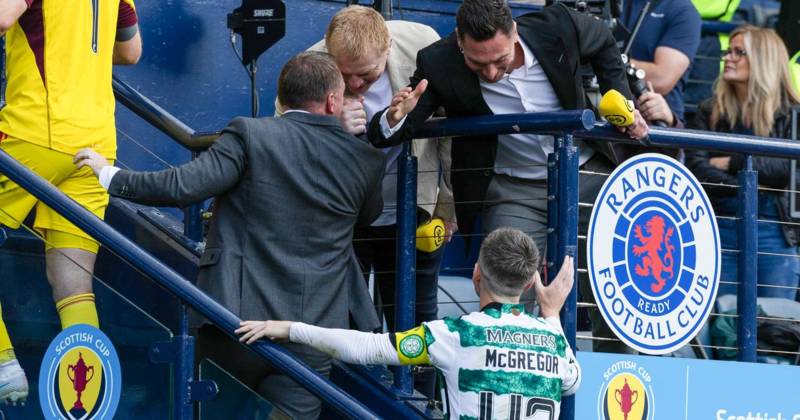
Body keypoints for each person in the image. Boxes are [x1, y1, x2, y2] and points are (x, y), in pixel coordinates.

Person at [74, 51, 386, 418]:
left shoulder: (250, 135)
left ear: (282, 99)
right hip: (310, 334)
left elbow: (183, 187)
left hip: (234, 323)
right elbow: (369, 215)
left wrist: (109, 174)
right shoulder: (364, 160)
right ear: (334, 101)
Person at [367, 0, 649, 252]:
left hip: (585, 174)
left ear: (514, 32)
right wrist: (393, 117)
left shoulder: (559, 25)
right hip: (513, 192)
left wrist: (623, 102)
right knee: (505, 293)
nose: (490, 73)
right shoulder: (440, 62)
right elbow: (394, 128)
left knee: (610, 276)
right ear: (459, 43)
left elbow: (603, 41)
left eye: (500, 60)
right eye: (477, 63)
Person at [274, 6, 453, 398]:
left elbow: (451, 130)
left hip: (412, 209)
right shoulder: (310, 64)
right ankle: (349, 403)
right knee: (340, 321)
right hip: (341, 220)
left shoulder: (422, 43)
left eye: (366, 74)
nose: (355, 83)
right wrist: (327, 123)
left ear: (387, 47)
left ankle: (423, 404)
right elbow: (283, 134)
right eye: (345, 73)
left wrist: (446, 207)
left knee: (416, 319)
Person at [236, 228, 581, 419]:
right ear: (526, 284)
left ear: (477, 274)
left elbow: (366, 348)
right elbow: (572, 382)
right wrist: (551, 315)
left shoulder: (457, 334)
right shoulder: (552, 338)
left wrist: (289, 328)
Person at [0, 0, 141, 404]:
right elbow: (131, 51)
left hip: (35, 133)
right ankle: (83, 407)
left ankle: (4, 365)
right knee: (74, 287)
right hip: (96, 146)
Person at [686, 26, 800, 300]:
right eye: (728, 51)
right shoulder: (709, 111)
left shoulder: (792, 114)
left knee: (774, 328)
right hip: (718, 228)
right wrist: (749, 184)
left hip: (773, 233)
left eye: (740, 52)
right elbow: (698, 170)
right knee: (722, 326)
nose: (729, 57)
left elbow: (790, 170)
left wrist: (734, 159)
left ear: (764, 59)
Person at [616, 0, 701, 125]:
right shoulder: (608, 4)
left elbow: (661, 78)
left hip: (654, 121)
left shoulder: (683, 11)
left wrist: (606, 60)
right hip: (603, 109)